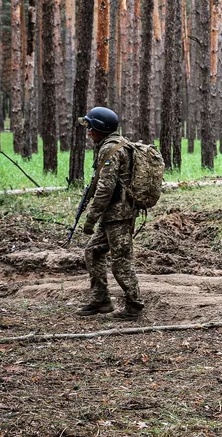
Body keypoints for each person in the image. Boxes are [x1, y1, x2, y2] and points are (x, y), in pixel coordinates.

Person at [75, 106, 144, 321]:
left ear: (100, 128)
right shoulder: (108, 146)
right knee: (94, 251)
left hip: (119, 215)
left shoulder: (111, 150)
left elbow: (105, 188)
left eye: (90, 127)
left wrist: (90, 219)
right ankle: (101, 300)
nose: (88, 132)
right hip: (113, 214)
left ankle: (134, 305)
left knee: (121, 260)